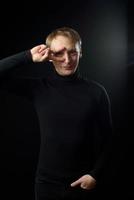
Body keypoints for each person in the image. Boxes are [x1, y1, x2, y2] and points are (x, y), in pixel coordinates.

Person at [0, 27, 113, 199]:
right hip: (46, 185)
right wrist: (28, 56)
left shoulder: (96, 92)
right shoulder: (39, 88)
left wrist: (95, 174)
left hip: (82, 184)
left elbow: (109, 139)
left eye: (72, 52)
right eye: (59, 53)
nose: (67, 60)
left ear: (80, 53)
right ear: (49, 56)